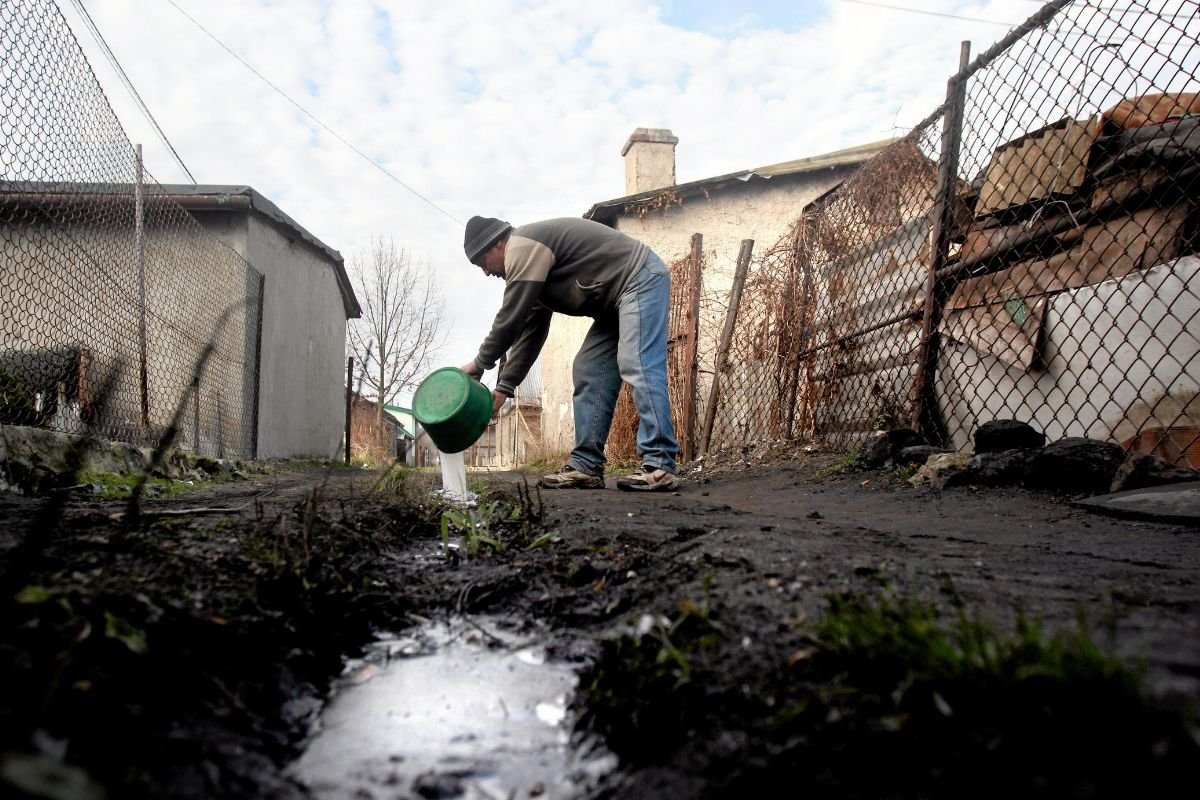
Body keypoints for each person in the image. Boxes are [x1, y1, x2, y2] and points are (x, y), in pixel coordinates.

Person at [459, 215, 680, 492]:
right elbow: (529, 334)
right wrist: (504, 388)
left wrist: (480, 363)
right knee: (588, 368)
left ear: (498, 243)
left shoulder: (523, 245)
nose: (486, 272)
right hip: (615, 303)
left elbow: (508, 319)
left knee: (636, 361)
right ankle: (586, 466)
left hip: (640, 278)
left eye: (482, 262)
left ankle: (660, 462)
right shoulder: (533, 273)